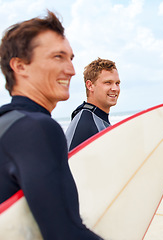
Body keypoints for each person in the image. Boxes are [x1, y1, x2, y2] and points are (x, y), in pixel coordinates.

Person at [0, 11, 103, 239]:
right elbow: (64, 234)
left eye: (71, 58)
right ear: (20, 66)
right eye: (58, 57)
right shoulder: (36, 129)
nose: (71, 70)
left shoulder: (7, 125)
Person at [65, 58, 120, 151]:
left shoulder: (99, 120)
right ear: (90, 86)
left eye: (117, 83)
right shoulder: (85, 122)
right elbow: (68, 162)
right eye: (108, 83)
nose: (115, 88)